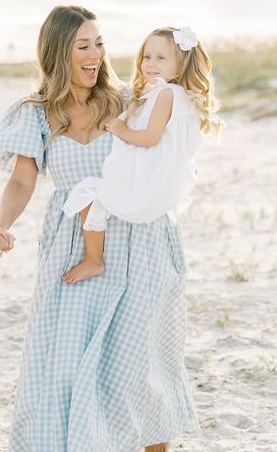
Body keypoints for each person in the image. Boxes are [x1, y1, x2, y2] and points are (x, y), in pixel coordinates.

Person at [0, 6, 198, 452]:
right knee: (73, 361)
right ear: (59, 51)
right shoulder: (34, 113)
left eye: (100, 43)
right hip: (73, 243)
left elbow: (171, 148)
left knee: (138, 352)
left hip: (138, 237)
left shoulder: (130, 99)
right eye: (84, 45)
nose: (97, 55)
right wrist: (2, 226)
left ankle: (154, 429)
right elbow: (21, 181)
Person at [62, 26, 220, 284]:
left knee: (88, 194)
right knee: (95, 197)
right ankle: (95, 257)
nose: (151, 64)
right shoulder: (177, 95)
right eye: (147, 57)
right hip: (161, 178)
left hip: (149, 179)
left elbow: (149, 138)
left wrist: (120, 129)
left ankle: (94, 260)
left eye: (161, 58)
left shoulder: (166, 94)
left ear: (180, 65)